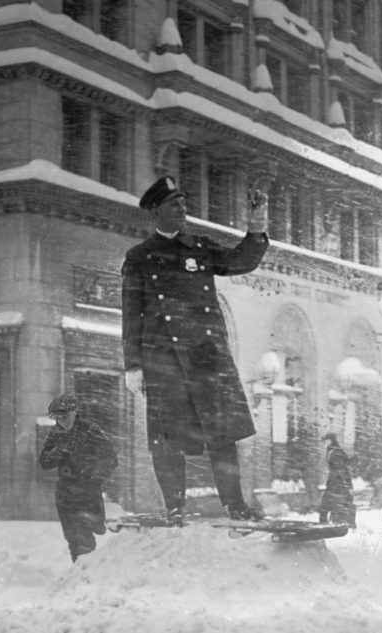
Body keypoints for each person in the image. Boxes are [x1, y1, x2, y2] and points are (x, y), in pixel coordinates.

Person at [121, 175, 269, 523]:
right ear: (156, 211)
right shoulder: (139, 257)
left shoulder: (199, 248)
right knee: (167, 441)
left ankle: (235, 506)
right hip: (164, 363)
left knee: (222, 435)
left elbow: (240, 261)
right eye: (175, 204)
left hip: (206, 358)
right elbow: (131, 315)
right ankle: (174, 508)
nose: (183, 209)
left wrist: (257, 225)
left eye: (184, 203)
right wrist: (133, 366)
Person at [39, 393, 118, 562]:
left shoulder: (90, 430)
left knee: (84, 536)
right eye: (56, 417)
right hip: (65, 495)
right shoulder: (56, 434)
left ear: (75, 412)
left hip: (87, 494)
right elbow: (44, 462)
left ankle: (86, 574)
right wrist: (58, 451)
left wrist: (93, 479)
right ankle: (78, 574)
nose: (61, 421)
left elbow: (111, 458)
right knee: (72, 539)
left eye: (65, 416)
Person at [318, 433, 356, 528]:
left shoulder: (336, 453)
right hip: (335, 482)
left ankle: (329, 524)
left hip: (338, 483)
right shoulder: (333, 451)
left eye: (325, 441)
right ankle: (329, 523)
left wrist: (347, 485)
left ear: (330, 441)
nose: (324, 443)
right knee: (335, 504)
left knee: (330, 504)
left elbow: (342, 470)